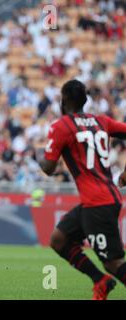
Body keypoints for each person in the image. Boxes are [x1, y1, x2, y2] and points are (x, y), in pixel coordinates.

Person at [38, 79, 126, 300]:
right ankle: (101, 282)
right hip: (98, 200)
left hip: (99, 203)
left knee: (113, 263)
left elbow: (48, 168)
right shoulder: (101, 121)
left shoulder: (61, 126)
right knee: (59, 239)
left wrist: (40, 156)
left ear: (64, 99)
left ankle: (104, 278)